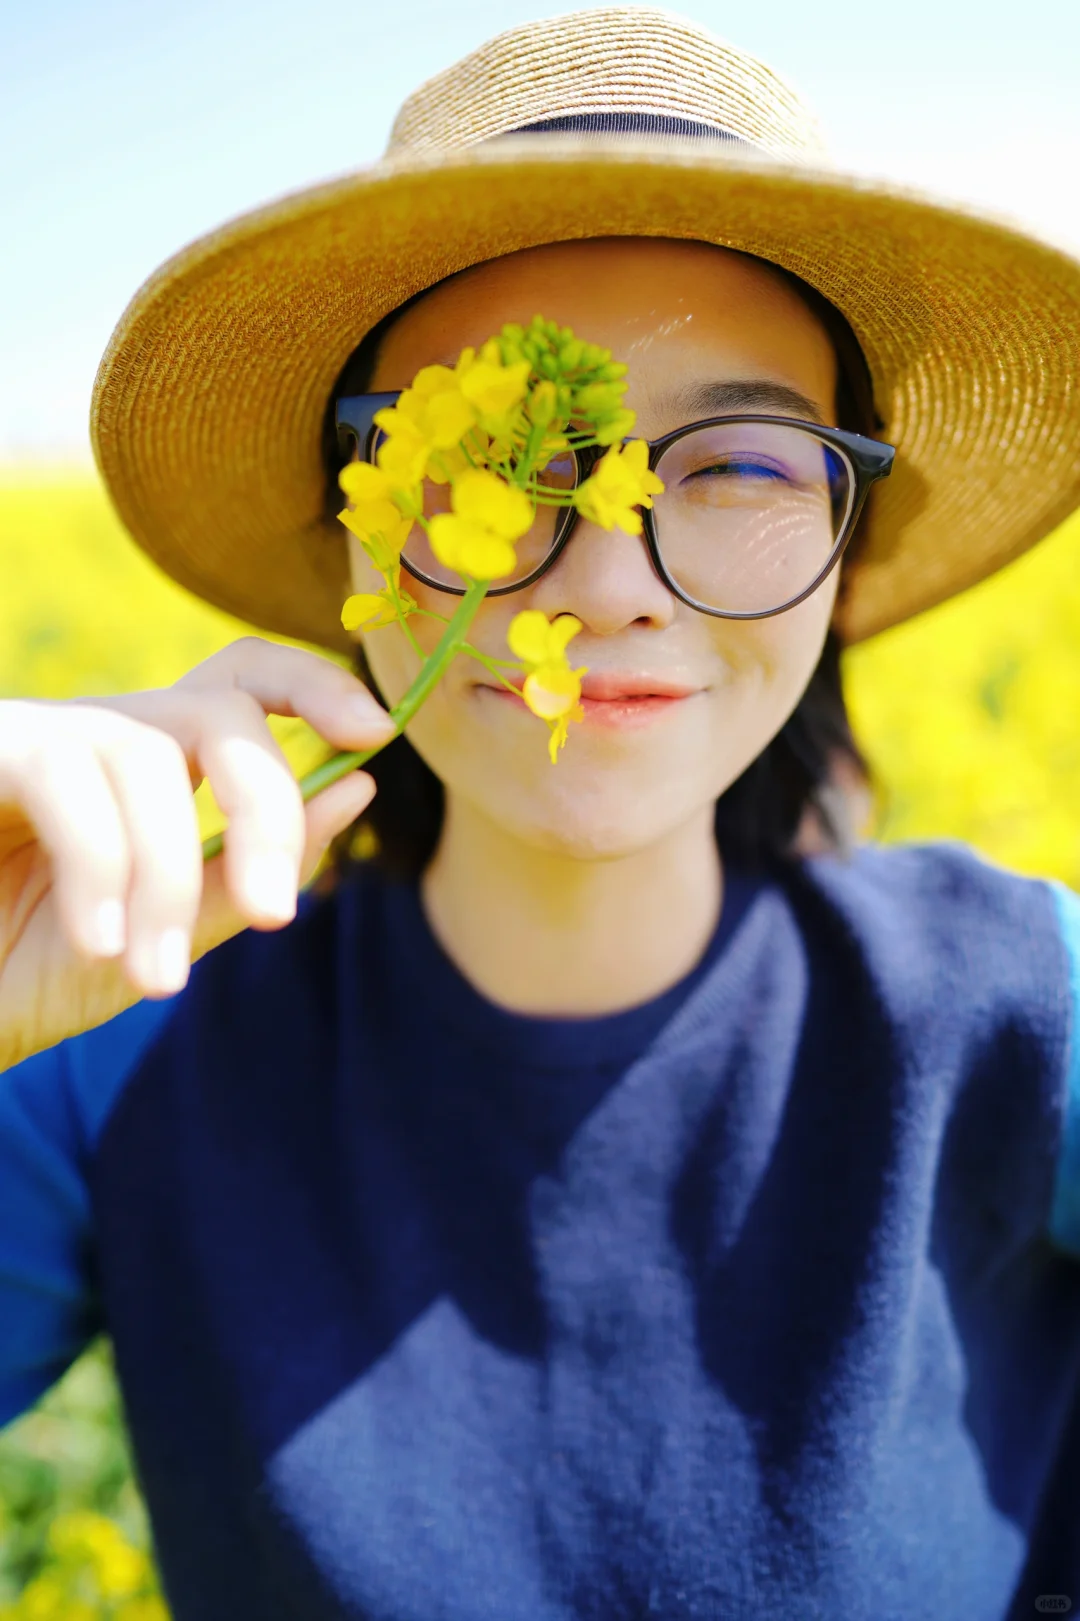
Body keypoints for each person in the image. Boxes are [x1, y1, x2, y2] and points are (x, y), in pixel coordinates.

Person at [2, 8, 1080, 1616]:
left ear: (845, 553)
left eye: (739, 466)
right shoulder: (122, 1029)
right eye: (496, 458)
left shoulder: (1028, 1003)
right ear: (349, 539)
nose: (603, 578)